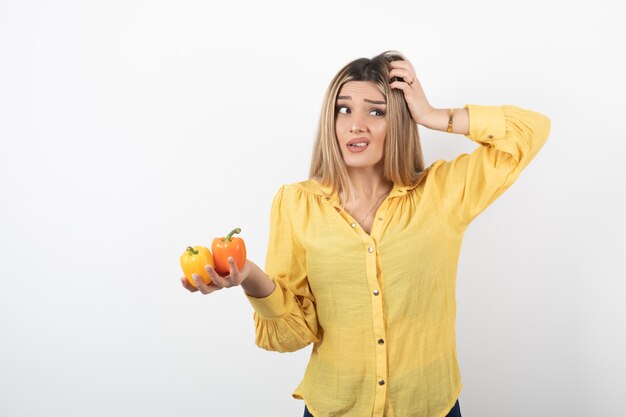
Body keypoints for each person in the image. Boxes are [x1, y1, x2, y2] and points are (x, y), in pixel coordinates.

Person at [180, 50, 551, 417]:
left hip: (427, 407)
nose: (356, 124)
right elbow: (292, 334)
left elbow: (531, 129)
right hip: (335, 407)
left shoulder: (442, 192)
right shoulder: (296, 204)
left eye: (377, 111)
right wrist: (249, 277)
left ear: (400, 122)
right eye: (344, 109)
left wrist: (430, 115)